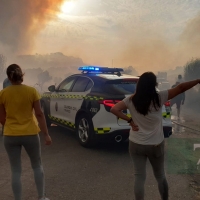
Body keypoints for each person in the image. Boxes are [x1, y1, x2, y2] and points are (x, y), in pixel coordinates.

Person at [110, 72, 200, 200]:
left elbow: (114, 109)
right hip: (156, 144)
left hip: (136, 144)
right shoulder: (160, 97)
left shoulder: (130, 100)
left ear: (139, 85)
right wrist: (197, 80)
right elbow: (180, 88)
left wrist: (129, 120)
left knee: (139, 177)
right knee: (160, 176)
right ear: (154, 85)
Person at [0, 64, 52, 200]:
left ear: (9, 77)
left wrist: (11, 126)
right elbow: (39, 114)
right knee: (37, 165)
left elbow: (1, 117)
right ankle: (41, 197)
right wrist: (46, 134)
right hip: (30, 134)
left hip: (10, 135)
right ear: (21, 75)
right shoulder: (32, 91)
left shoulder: (3, 94)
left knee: (16, 170)